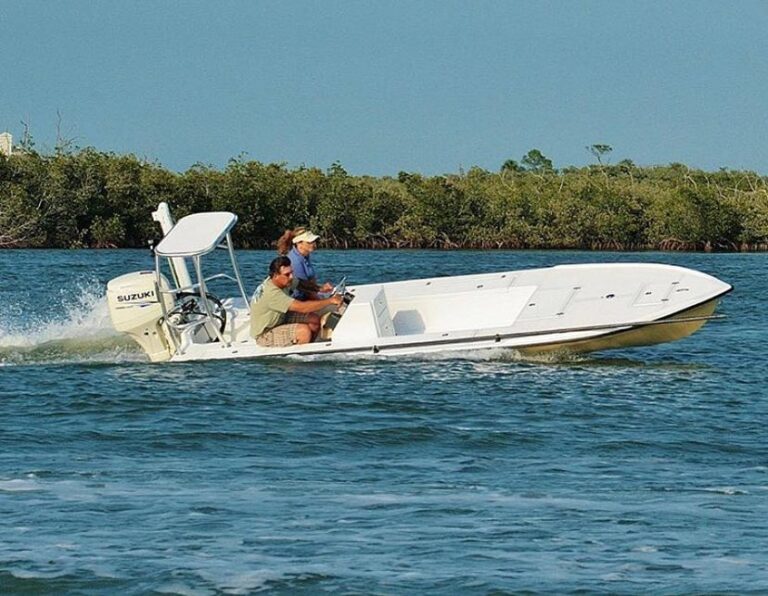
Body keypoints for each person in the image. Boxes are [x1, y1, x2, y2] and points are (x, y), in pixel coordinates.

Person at [251, 256, 342, 347]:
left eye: (291, 272)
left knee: (313, 320)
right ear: (275, 275)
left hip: (280, 317)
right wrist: (330, 301)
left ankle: (311, 346)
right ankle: (302, 354)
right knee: (303, 331)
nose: (291, 277)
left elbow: (300, 283)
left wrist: (320, 288)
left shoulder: (283, 280)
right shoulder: (272, 293)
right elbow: (303, 308)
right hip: (265, 334)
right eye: (287, 274)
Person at [276, 227, 333, 300]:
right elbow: (304, 288)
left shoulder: (305, 255)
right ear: (299, 243)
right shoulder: (295, 261)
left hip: (306, 296)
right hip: (297, 300)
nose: (313, 244)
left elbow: (311, 280)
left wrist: (321, 288)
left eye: (314, 241)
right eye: (309, 242)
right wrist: (324, 300)